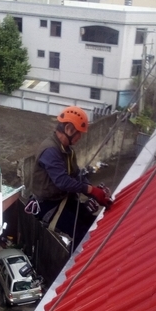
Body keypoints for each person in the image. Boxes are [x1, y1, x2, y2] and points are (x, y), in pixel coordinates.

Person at [30, 106, 111, 249]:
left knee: (91, 221)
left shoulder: (67, 150)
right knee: (80, 233)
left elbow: (76, 174)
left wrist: (94, 192)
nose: (80, 138)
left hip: (62, 199)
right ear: (68, 129)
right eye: (79, 133)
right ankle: (77, 261)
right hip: (47, 205)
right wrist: (90, 190)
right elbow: (63, 182)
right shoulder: (50, 151)